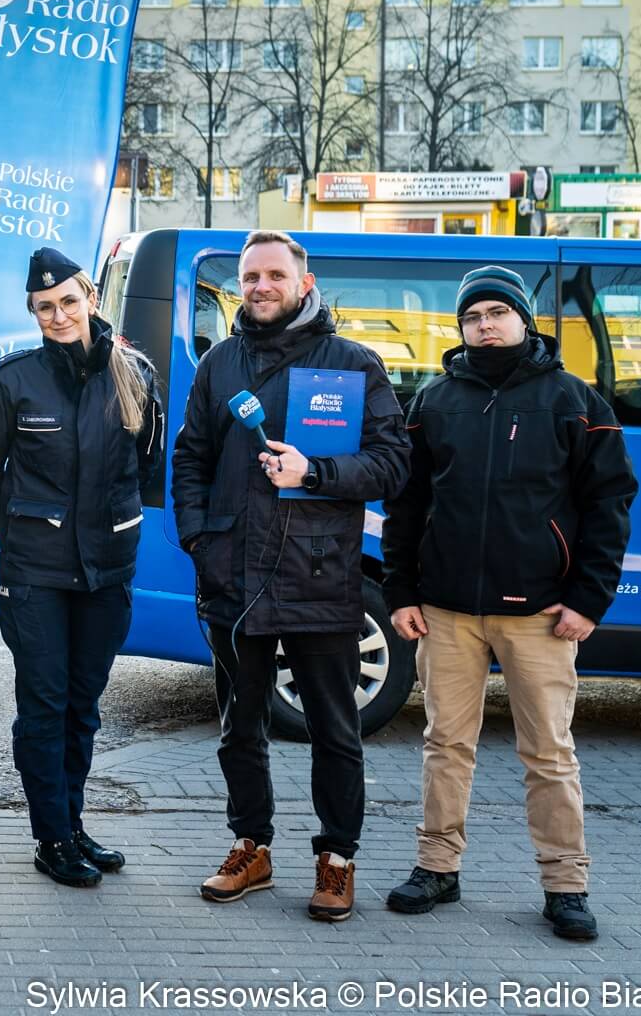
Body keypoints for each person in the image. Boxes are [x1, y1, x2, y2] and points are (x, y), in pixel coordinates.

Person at [380, 267, 637, 942]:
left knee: (548, 753)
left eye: (497, 312)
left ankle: (565, 885)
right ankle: (438, 867)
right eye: (472, 317)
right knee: (445, 745)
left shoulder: (574, 400)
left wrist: (589, 600)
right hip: (448, 611)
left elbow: (609, 506)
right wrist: (400, 592)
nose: (484, 325)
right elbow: (406, 504)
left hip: (541, 615)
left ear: (524, 319)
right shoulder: (433, 400)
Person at [170, 229, 409, 922]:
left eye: (275, 275)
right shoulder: (220, 363)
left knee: (335, 731)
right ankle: (252, 848)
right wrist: (199, 540)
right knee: (239, 729)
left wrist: (317, 471)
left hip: (320, 576)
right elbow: (190, 457)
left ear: (304, 284)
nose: (261, 287)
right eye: (250, 277)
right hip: (234, 579)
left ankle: (337, 859)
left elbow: (393, 464)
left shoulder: (352, 364)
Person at [0, 247, 161, 887]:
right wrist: (24, 525)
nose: (58, 315)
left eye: (68, 301)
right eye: (44, 307)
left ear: (91, 299)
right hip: (36, 575)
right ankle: (50, 837)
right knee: (44, 706)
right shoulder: (12, 381)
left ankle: (73, 825)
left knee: (84, 705)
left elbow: (148, 465)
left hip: (107, 570)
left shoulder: (135, 374)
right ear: (33, 312)